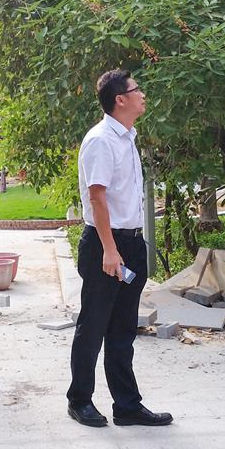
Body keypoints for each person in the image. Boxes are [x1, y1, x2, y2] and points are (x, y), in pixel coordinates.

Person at [67, 69, 173, 428]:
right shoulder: (101, 140)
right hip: (106, 243)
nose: (143, 94)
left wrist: (129, 245)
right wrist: (110, 251)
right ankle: (79, 400)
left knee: (123, 329)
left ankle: (127, 405)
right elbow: (97, 197)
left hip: (130, 241)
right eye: (136, 89)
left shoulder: (127, 137)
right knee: (93, 326)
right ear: (120, 99)